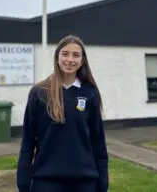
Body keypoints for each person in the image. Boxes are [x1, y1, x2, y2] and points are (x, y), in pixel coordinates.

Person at [17, 35, 109, 192]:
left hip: (84, 181)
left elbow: (97, 140)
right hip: (46, 181)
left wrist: (102, 179)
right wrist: (23, 179)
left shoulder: (90, 93)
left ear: (82, 60)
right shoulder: (39, 93)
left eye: (76, 55)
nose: (70, 59)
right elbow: (28, 140)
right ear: (57, 57)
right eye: (65, 54)